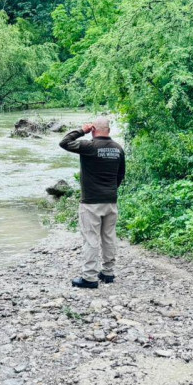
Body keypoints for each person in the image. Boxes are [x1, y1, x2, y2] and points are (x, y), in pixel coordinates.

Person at [59, 117, 125, 289]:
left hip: (91, 202)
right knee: (109, 237)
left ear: (93, 129)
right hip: (110, 201)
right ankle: (108, 273)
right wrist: (110, 190)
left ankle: (89, 277)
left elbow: (64, 142)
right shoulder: (118, 149)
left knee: (91, 239)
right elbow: (120, 175)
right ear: (109, 130)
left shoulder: (89, 146)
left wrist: (82, 130)